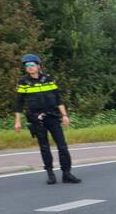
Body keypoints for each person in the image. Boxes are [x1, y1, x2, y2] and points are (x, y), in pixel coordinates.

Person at [13, 54, 80, 184]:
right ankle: (50, 174)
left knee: (62, 146)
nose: (30, 68)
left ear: (38, 66)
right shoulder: (23, 82)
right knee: (44, 147)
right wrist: (17, 121)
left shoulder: (48, 79)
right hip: (36, 120)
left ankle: (67, 173)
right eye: (27, 66)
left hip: (53, 117)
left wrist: (64, 115)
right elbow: (18, 103)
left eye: (32, 65)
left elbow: (58, 99)